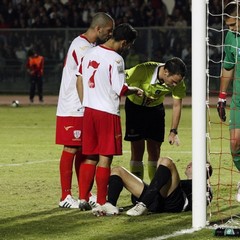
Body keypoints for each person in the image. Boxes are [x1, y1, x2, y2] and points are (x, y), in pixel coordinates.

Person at [77, 23, 144, 215]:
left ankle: (83, 198)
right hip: (107, 113)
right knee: (105, 159)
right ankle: (101, 202)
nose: (128, 48)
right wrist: (135, 89)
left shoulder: (89, 53)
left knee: (89, 156)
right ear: (124, 42)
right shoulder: (116, 59)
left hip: (89, 111)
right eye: (129, 44)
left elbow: (80, 79)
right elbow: (120, 88)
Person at [56, 12, 114, 209]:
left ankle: (84, 193)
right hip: (73, 105)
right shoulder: (81, 47)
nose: (109, 34)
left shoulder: (89, 47)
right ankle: (65, 196)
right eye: (108, 31)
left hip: (83, 105)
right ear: (98, 29)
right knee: (71, 147)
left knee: (84, 148)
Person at [124, 58, 187, 181]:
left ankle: (154, 190)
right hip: (135, 108)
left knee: (155, 150)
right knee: (137, 150)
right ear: (166, 72)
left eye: (177, 83)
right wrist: (132, 90)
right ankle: (138, 189)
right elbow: (120, 80)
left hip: (155, 110)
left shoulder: (178, 82)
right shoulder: (142, 70)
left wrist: (173, 131)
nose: (175, 85)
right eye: (173, 82)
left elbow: (177, 104)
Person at [97, 156, 213, 216]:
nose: (191, 163)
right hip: (156, 200)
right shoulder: (179, 182)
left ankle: (143, 204)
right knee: (118, 170)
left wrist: (205, 181)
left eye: (197, 163)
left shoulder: (203, 187)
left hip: (175, 203)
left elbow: (203, 201)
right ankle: (110, 206)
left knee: (167, 161)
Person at [217, 2, 240, 174]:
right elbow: (228, 66)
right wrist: (222, 97)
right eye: (228, 26)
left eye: (233, 24)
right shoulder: (231, 37)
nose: (230, 29)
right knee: (234, 144)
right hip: (239, 100)